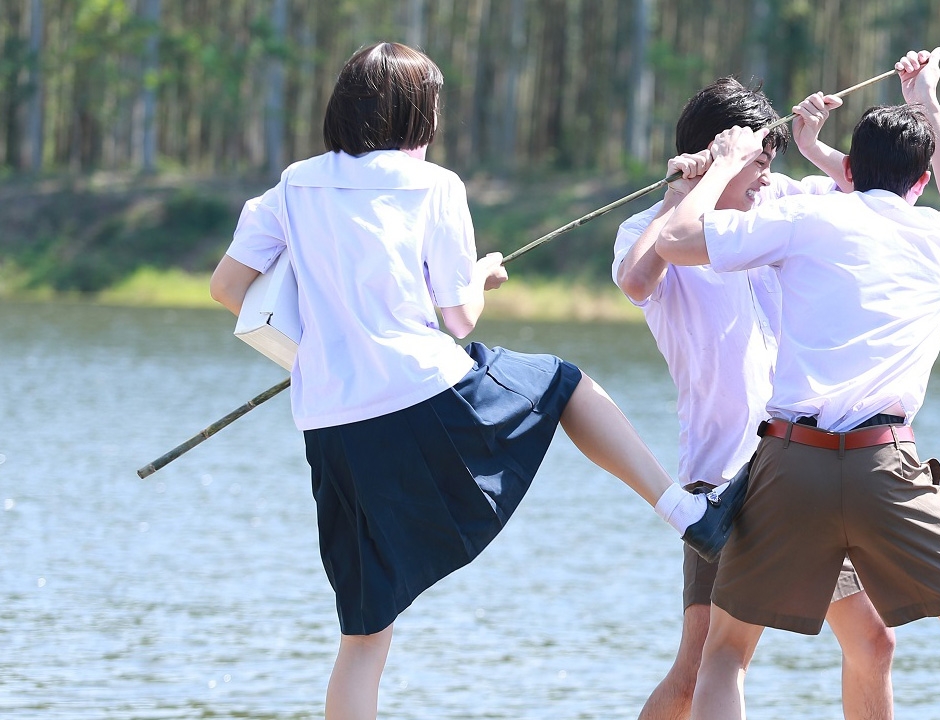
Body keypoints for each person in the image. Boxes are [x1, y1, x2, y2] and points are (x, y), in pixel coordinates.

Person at [207, 42, 739, 720]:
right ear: (414, 114)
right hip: (423, 396)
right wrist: (482, 275)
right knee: (564, 383)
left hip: (332, 426)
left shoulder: (291, 186)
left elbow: (228, 288)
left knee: (364, 636)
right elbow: (458, 320)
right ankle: (685, 512)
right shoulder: (435, 185)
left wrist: (327, 340)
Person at [655, 49, 940, 720]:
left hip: (787, 463)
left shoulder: (809, 220)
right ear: (921, 180)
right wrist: (928, 100)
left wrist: (722, 163)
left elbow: (676, 240)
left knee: (725, 652)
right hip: (884, 465)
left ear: (850, 172)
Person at [613, 77, 894, 720]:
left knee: (874, 642)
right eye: (755, 161)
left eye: (770, 161)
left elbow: (869, 198)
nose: (766, 175)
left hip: (804, 465)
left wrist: (813, 145)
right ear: (714, 155)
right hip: (723, 482)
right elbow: (637, 280)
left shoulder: (777, 203)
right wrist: (692, 184)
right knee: (699, 671)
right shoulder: (649, 226)